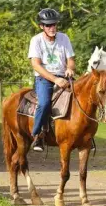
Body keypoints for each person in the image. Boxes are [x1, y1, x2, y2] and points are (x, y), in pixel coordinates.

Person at [27, 8, 76, 152]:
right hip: (45, 78)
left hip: (64, 76)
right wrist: (55, 79)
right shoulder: (36, 40)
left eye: (54, 24)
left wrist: (70, 68)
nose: (52, 27)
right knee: (44, 103)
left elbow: (71, 60)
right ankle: (37, 135)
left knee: (84, 97)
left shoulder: (64, 38)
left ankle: (85, 135)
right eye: (48, 25)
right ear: (41, 26)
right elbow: (36, 65)